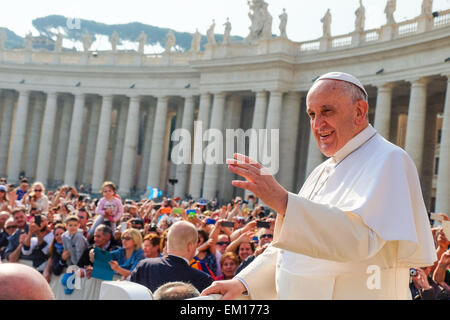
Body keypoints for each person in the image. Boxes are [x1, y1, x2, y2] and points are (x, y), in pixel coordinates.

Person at [202, 71, 436, 300]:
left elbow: (360, 241)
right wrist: (244, 282)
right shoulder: (322, 170)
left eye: (327, 111)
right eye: (312, 114)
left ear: (359, 111)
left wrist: (284, 202)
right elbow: (292, 248)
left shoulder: (389, 159)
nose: (317, 124)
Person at [130, 221, 213, 293]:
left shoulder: (144, 266)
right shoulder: (203, 280)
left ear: (168, 243)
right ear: (190, 246)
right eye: (196, 242)